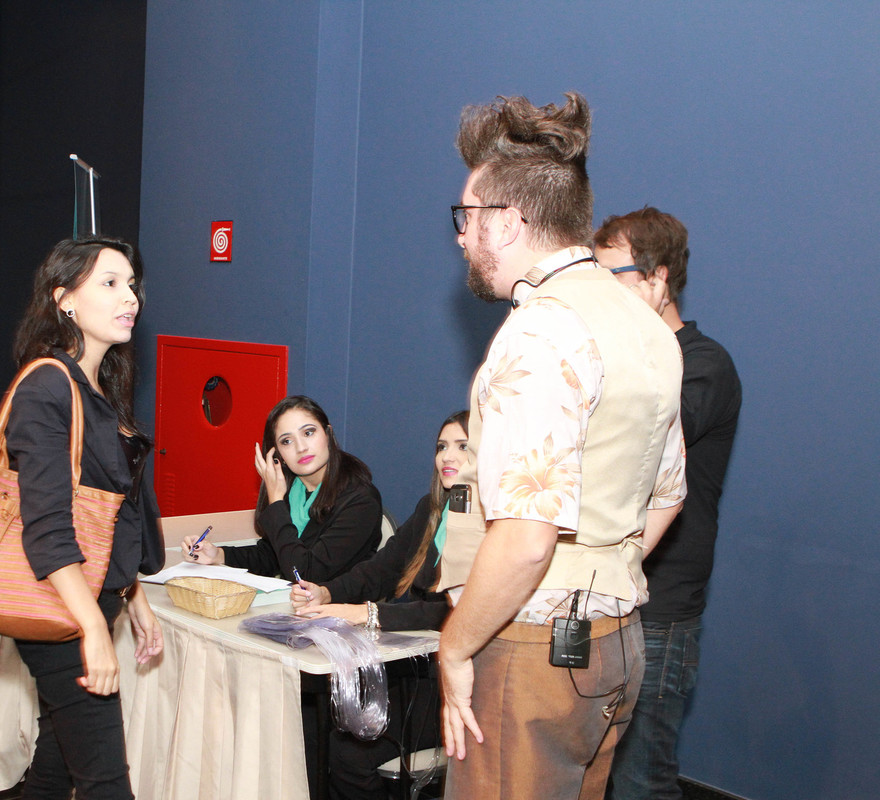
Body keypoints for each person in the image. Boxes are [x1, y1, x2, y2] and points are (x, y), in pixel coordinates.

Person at [435, 92, 687, 800]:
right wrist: (599, 577)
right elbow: (669, 494)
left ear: (510, 222)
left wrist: (456, 646)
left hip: (528, 653)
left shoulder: (542, 330)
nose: (461, 237)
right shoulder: (646, 327)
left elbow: (525, 539)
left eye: (467, 217)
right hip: (614, 644)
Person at [5, 236, 166, 799]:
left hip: (92, 599)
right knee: (105, 785)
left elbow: (111, 514)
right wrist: (92, 630)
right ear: (64, 300)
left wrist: (133, 599)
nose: (130, 299)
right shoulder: (48, 384)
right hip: (61, 609)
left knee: (54, 768)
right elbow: (47, 529)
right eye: (110, 283)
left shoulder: (97, 386)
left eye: (131, 285)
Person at [594, 208, 742, 800]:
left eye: (614, 277)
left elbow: (641, 450)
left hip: (659, 608)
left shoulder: (703, 365)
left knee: (639, 781)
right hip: (601, 596)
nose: (600, 295)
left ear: (656, 279)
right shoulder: (618, 362)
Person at [289, 410, 465, 799]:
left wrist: (368, 613)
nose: (447, 457)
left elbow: (451, 613)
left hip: (456, 685)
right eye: (441, 447)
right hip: (413, 671)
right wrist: (328, 593)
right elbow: (381, 569)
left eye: (462, 446)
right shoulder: (432, 510)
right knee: (327, 728)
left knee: (350, 752)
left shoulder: (494, 522)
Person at [183, 395, 382, 584]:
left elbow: (305, 574)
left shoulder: (361, 499)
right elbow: (273, 556)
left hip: (342, 612)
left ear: (328, 434)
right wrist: (219, 555)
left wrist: (276, 502)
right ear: (278, 455)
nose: (301, 447)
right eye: (287, 441)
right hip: (297, 608)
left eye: (308, 432)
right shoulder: (293, 490)